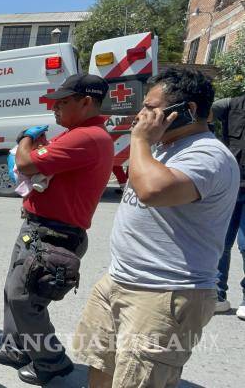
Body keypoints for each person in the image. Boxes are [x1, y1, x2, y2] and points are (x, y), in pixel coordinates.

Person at [73, 69, 239, 387]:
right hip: (121, 280)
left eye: (151, 108)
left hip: (164, 294)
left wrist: (139, 139)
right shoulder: (165, 144)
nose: (142, 115)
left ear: (187, 111)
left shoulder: (207, 154)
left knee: (137, 380)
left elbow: (152, 190)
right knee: (101, 366)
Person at [0, 74, 114, 386]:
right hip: (39, 228)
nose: (55, 109)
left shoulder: (86, 137)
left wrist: (25, 140)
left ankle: (51, 360)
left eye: (63, 102)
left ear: (87, 102)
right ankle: (17, 347)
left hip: (53, 233)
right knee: (13, 290)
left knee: (23, 297)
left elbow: (28, 164)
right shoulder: (79, 134)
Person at [210, 96, 245, 319]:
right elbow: (203, 114)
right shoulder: (231, 105)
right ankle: (217, 296)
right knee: (220, 243)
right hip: (231, 187)